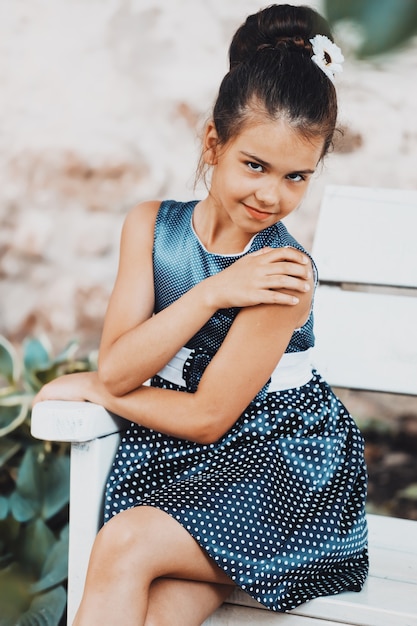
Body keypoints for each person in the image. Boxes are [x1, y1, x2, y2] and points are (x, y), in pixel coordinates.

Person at [34, 4, 369, 625]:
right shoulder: (152, 228)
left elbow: (207, 415)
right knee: (158, 608)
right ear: (214, 142)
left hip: (280, 473)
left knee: (127, 542)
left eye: (297, 177)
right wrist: (211, 292)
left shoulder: (283, 275)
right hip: (177, 465)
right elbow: (123, 361)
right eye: (255, 165)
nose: (272, 195)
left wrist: (99, 389)